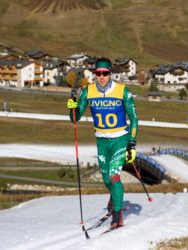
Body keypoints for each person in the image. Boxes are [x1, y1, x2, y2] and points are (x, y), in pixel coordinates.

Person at [67, 57, 138, 229]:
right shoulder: (88, 92)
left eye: (105, 73)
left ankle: (117, 215)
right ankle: (115, 196)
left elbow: (134, 118)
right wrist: (72, 107)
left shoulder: (123, 91)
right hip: (101, 140)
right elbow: (75, 119)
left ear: (110, 74)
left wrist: (132, 143)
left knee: (114, 176)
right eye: (98, 73)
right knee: (106, 179)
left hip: (120, 138)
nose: (101, 76)